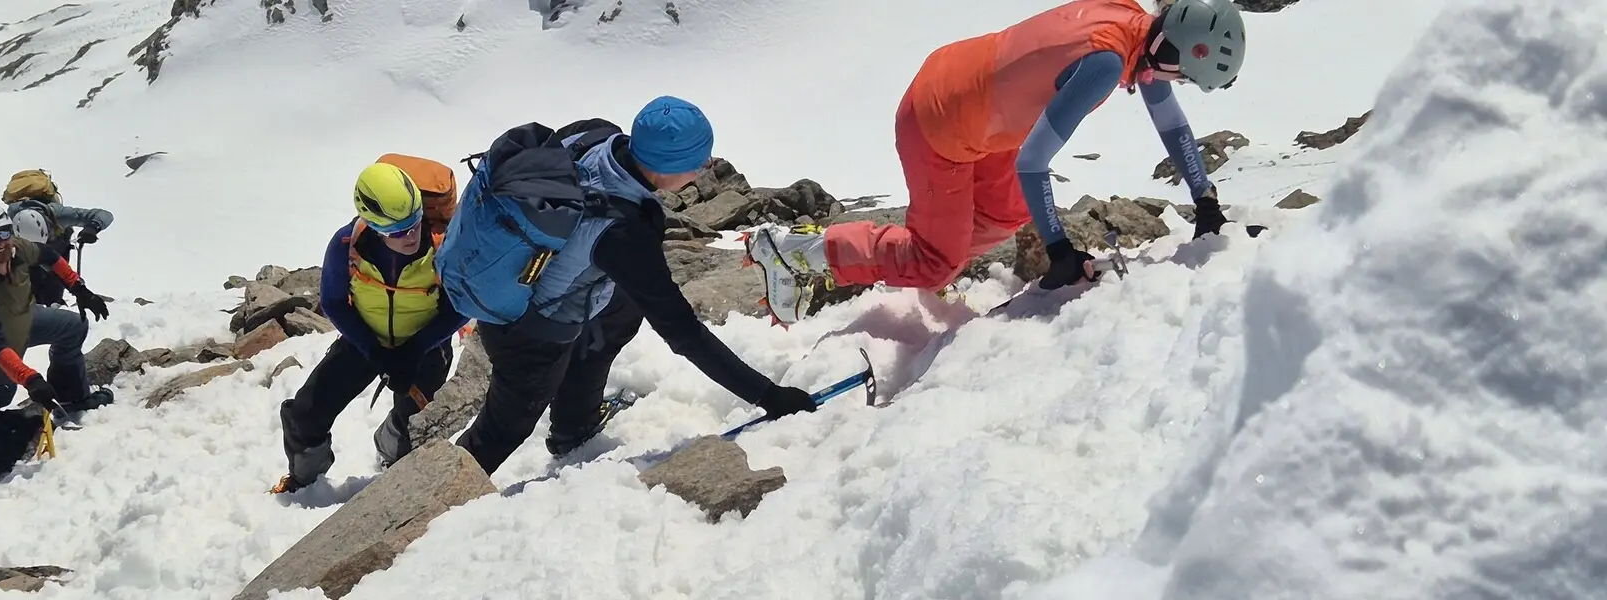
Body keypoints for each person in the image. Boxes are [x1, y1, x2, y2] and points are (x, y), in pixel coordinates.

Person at [740, 0, 1249, 324]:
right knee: (934, 259)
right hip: (938, 122)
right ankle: (797, 250)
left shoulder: (1132, 20)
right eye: (1184, 75)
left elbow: (1169, 121)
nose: (1177, 84)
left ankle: (942, 248)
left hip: (971, 89)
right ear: (1175, 53)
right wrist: (1059, 251)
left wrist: (1203, 196)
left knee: (1008, 211)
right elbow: (1034, 163)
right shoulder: (1106, 63)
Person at [436, 96, 818, 475]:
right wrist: (768, 395)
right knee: (505, 428)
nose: (705, 168)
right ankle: (431, 504)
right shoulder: (623, 229)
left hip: (528, 277)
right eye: (698, 161)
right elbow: (683, 332)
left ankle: (574, 428)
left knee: (621, 309)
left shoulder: (596, 135)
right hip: (527, 329)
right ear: (667, 167)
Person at [270, 162, 471, 493]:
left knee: (415, 425)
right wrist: (373, 350)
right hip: (364, 341)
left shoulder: (442, 246)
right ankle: (305, 482)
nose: (411, 236)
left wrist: (415, 349)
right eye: (397, 231)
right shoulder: (347, 244)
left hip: (426, 347)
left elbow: (461, 306)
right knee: (305, 415)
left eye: (415, 222)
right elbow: (334, 302)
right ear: (373, 225)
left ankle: (393, 459)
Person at [0, 201, 114, 495]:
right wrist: (30, 379)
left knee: (73, 328)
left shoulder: (19, 249)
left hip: (27, 319)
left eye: (2, 233)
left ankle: (71, 397)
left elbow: (49, 256)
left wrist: (79, 288)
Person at [1, 169, 115, 308]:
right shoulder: (57, 214)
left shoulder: (5, 220)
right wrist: (92, 228)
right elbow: (104, 215)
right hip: (55, 274)